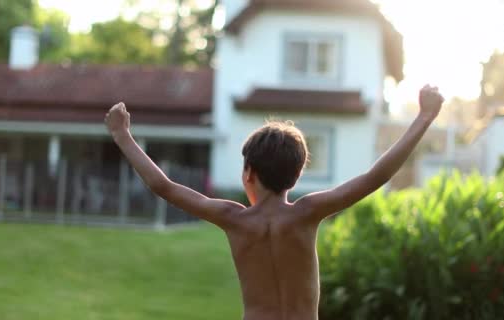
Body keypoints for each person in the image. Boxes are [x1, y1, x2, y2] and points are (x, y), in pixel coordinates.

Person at [104, 85, 444, 320]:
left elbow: (163, 186)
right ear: (295, 177)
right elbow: (376, 177)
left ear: (248, 173)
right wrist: (424, 117)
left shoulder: (233, 218)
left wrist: (123, 136)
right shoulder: (307, 213)